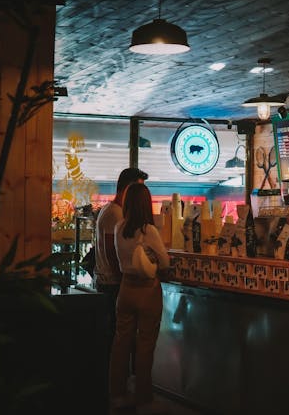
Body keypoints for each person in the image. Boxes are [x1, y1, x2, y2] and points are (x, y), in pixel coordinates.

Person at [109, 183, 170, 414]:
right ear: (146, 204)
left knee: (120, 343)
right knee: (145, 345)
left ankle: (117, 395)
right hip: (147, 291)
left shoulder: (119, 227)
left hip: (125, 289)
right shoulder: (149, 231)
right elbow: (165, 262)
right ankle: (143, 399)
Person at [94, 167, 149, 353]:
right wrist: (124, 279)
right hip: (112, 283)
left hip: (106, 281)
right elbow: (112, 251)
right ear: (127, 189)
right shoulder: (115, 213)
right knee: (119, 339)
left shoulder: (108, 210)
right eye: (137, 190)